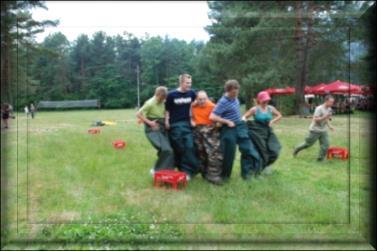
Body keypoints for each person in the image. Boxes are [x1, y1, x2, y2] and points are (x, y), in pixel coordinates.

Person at [209, 80, 261, 181]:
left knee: (247, 149)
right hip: (228, 129)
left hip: (239, 125)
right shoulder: (223, 101)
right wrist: (226, 121)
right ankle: (224, 177)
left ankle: (247, 174)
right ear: (228, 90)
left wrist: (241, 119)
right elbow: (212, 116)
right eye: (233, 92)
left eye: (237, 92)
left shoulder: (235, 98)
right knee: (229, 154)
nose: (235, 94)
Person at [165, 73, 200, 180]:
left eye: (190, 83)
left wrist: (193, 118)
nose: (189, 85)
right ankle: (183, 169)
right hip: (175, 124)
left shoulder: (192, 93)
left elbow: (197, 103)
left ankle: (190, 170)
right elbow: (167, 109)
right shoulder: (171, 94)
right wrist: (167, 121)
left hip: (187, 124)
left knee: (189, 146)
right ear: (181, 82)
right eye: (187, 83)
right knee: (179, 147)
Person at [136, 86, 175, 175]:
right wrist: (150, 123)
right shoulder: (150, 103)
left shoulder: (164, 100)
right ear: (157, 95)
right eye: (161, 98)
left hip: (162, 126)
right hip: (152, 128)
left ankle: (168, 170)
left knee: (170, 149)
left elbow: (166, 111)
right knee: (166, 150)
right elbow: (138, 114)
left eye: (165, 98)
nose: (163, 100)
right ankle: (156, 170)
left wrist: (166, 121)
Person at [242, 91, 282, 175]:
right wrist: (244, 121)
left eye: (267, 100)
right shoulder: (255, 109)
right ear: (259, 100)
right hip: (257, 132)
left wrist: (272, 121)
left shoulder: (270, 108)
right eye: (264, 100)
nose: (266, 102)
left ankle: (264, 165)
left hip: (268, 131)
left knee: (275, 149)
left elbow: (279, 115)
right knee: (262, 151)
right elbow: (244, 117)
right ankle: (258, 169)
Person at [191, 90, 223, 185]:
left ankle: (214, 175)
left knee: (213, 152)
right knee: (201, 153)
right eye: (200, 99)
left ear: (207, 98)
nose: (202, 101)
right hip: (197, 130)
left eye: (204, 99)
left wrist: (217, 125)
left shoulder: (213, 106)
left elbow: (219, 120)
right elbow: (190, 116)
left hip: (210, 131)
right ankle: (204, 174)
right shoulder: (193, 106)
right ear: (196, 99)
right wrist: (192, 120)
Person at [293, 95, 335, 162]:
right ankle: (296, 149)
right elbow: (315, 119)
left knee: (325, 145)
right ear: (326, 101)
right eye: (331, 102)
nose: (332, 104)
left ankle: (320, 159)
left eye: (333, 102)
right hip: (315, 130)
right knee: (308, 144)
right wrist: (324, 117)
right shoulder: (319, 108)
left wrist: (330, 126)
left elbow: (326, 119)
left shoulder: (329, 109)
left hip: (323, 130)